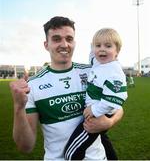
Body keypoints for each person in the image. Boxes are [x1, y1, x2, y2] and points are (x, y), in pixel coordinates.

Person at [9, 16, 124, 160]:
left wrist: (109, 122)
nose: (64, 44)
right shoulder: (33, 85)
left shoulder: (92, 72)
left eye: (69, 39)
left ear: (74, 43)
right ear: (46, 45)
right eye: (57, 39)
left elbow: (118, 107)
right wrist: (18, 107)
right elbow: (26, 146)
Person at [64, 28, 128, 160]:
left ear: (117, 52)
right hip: (96, 112)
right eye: (98, 46)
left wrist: (94, 110)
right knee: (100, 142)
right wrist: (93, 44)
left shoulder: (114, 71)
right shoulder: (99, 63)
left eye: (108, 46)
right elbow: (93, 56)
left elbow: (115, 99)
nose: (102, 49)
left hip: (98, 115)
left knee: (72, 152)